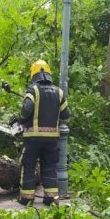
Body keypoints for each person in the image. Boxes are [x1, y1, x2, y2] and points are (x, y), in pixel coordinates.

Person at [16, 60, 70, 206]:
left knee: (28, 166)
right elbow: (66, 114)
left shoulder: (33, 90)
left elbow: (26, 109)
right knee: (50, 167)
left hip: (32, 138)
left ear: (34, 74)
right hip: (52, 139)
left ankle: (27, 198)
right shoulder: (59, 92)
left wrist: (20, 119)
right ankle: (51, 198)